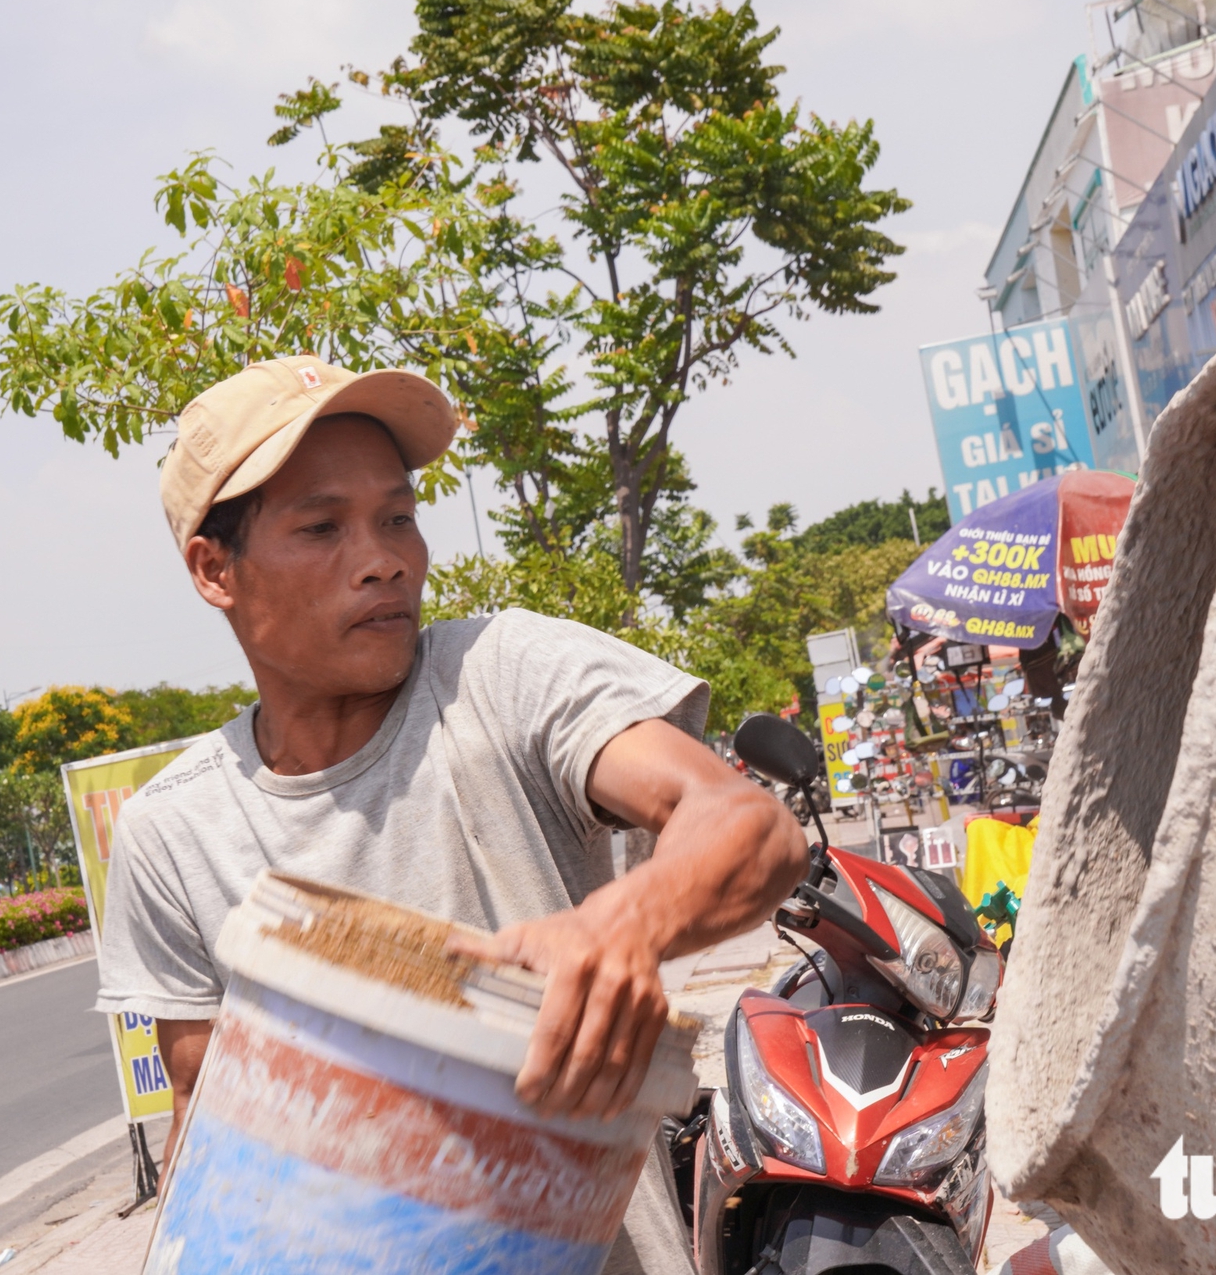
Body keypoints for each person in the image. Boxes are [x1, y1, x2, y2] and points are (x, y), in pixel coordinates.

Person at [95, 355, 809, 1273]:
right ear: (213, 568)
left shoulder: (501, 676)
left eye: (398, 517)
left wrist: (619, 928)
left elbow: (744, 824)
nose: (384, 559)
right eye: (323, 527)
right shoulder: (175, 830)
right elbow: (204, 1112)